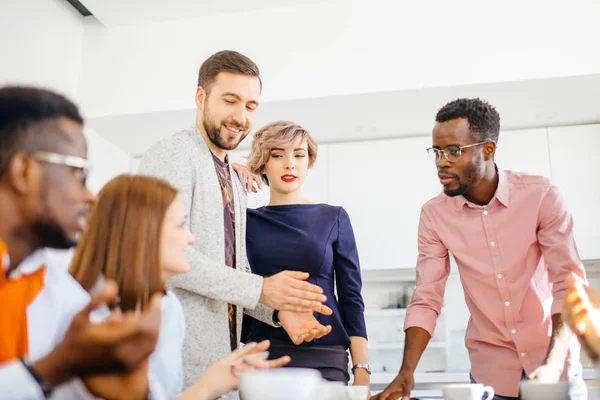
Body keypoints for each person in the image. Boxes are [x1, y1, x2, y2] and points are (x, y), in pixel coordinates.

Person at [137, 50, 332, 395]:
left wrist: (275, 312)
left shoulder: (235, 179)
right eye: (230, 101)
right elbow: (162, 256)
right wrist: (263, 289)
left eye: (251, 106)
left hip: (223, 364)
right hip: (178, 360)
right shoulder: (174, 155)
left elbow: (236, 269)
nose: (241, 116)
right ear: (201, 97)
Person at [373, 98, 588, 400]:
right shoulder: (435, 215)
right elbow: (426, 298)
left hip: (555, 369)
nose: (441, 162)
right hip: (491, 378)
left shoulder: (541, 196)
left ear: (488, 150)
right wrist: (406, 371)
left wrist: (551, 367)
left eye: (453, 151)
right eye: (436, 151)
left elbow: (569, 286)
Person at [0, 85, 163, 399]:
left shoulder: (58, 291)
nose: (90, 195)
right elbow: (58, 367)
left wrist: (135, 389)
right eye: (79, 174)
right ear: (24, 171)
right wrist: (55, 367)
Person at [70, 174, 291, 399]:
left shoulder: (167, 307)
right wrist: (208, 386)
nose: (190, 238)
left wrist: (218, 377)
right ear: (144, 232)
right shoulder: (83, 316)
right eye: (181, 225)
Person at [235, 120, 370, 387]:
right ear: (262, 164)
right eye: (277, 155)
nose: (290, 164)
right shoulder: (243, 221)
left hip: (326, 353)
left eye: (299, 155)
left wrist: (362, 367)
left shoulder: (334, 217)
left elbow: (351, 298)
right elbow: (237, 288)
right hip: (262, 356)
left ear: (309, 163)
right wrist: (229, 172)